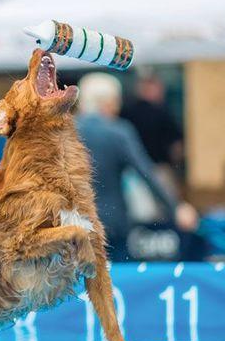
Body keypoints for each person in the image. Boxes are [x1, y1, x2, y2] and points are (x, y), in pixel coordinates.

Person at [76, 73, 198, 260]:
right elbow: (146, 173)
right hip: (112, 225)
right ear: (108, 102)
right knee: (113, 281)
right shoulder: (118, 132)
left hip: (73, 223)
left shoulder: (64, 132)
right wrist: (176, 208)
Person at [120, 71, 184, 192]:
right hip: (158, 168)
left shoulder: (126, 112)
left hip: (132, 171)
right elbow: (177, 146)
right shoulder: (162, 113)